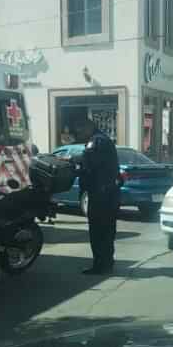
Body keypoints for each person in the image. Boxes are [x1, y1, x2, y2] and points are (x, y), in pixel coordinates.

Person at [78, 116, 120, 275]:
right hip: (109, 194)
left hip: (100, 195)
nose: (79, 133)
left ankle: (100, 265)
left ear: (89, 127)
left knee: (98, 232)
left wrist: (73, 162)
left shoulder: (96, 141)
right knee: (108, 231)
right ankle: (107, 262)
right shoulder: (103, 139)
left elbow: (88, 164)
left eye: (81, 129)